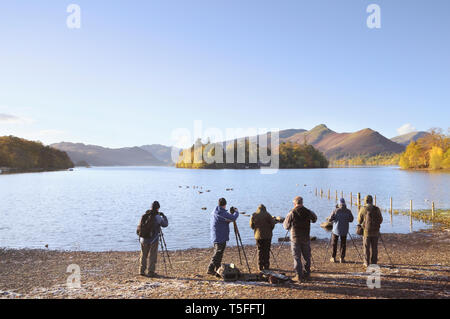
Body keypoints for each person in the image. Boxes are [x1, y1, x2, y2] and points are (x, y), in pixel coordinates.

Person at [283, 196, 317, 282]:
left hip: (295, 238)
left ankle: (299, 276)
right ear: (302, 203)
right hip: (305, 237)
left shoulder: (291, 212)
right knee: (307, 257)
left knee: (297, 257)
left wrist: (290, 225)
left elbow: (286, 226)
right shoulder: (308, 211)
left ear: (294, 203)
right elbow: (315, 219)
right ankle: (307, 274)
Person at [207, 198, 239, 276]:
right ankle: (210, 268)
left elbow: (225, 219)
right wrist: (236, 212)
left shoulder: (215, 211)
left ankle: (217, 269)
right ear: (225, 205)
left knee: (218, 253)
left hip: (216, 235)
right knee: (218, 253)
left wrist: (229, 218)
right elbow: (233, 218)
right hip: (220, 236)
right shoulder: (221, 213)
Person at [137, 201, 168, 277]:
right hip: (153, 239)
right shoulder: (157, 217)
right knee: (152, 255)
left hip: (143, 238)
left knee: (143, 255)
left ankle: (142, 271)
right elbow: (165, 224)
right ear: (157, 208)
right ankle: (151, 272)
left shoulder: (144, 215)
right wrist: (164, 216)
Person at [357, 195, 383, 267]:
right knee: (374, 248)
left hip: (366, 232)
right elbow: (381, 220)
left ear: (365, 201)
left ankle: (366, 262)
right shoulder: (376, 209)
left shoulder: (363, 209)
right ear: (372, 200)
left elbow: (359, 220)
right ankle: (374, 262)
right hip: (375, 232)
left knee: (366, 248)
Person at [250, 204, 276, 271]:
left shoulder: (254, 215)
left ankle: (260, 266)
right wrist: (270, 230)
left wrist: (255, 229)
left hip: (258, 236)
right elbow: (272, 224)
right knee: (266, 250)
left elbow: (251, 226)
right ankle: (266, 265)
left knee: (260, 250)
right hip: (267, 236)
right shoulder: (268, 215)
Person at [328, 198, 354, 263]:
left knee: (334, 243)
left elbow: (330, 219)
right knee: (343, 244)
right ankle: (342, 258)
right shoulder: (348, 211)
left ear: (339, 204)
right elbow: (351, 220)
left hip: (336, 230)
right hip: (344, 229)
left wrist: (334, 218)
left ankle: (333, 257)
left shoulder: (335, 210)